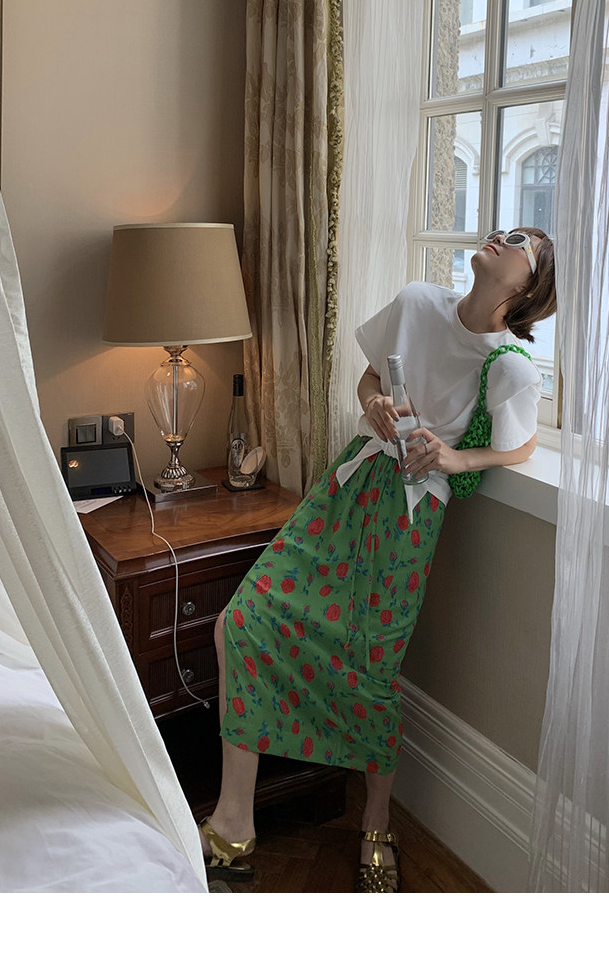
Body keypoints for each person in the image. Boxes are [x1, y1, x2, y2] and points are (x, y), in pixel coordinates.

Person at [199, 227, 556, 891]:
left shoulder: (509, 366)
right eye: (501, 230)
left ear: (528, 287)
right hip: (348, 485)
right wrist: (376, 404)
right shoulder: (418, 301)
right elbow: (368, 376)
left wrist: (455, 458)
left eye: (517, 243)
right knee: (240, 623)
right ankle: (235, 817)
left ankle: (375, 821)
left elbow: (522, 446)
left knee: (371, 670)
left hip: (408, 521)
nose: (497, 236)